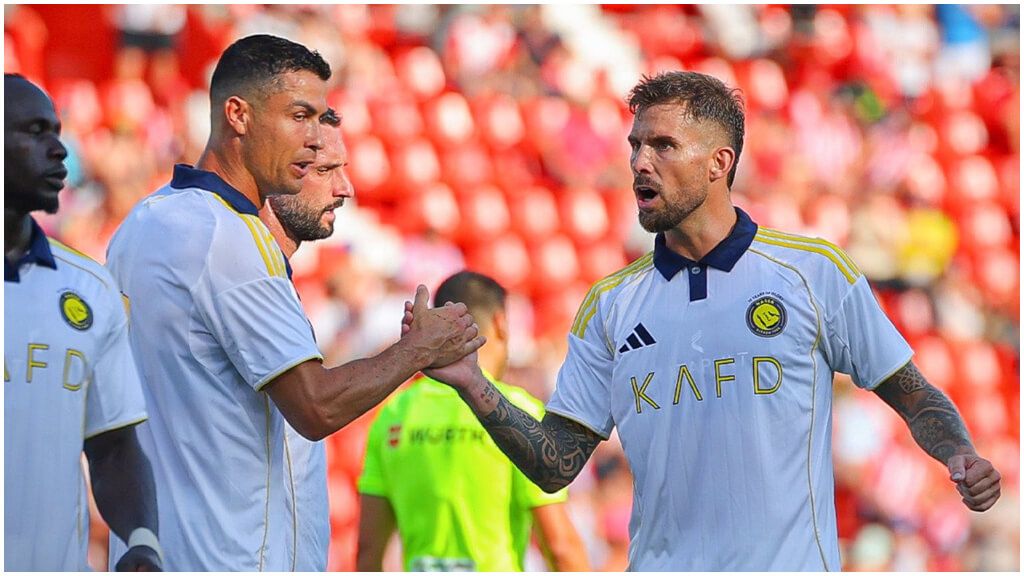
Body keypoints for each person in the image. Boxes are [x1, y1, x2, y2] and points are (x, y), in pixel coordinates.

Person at [410, 71, 1002, 571]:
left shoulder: (812, 272)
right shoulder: (610, 304)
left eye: (662, 145)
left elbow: (912, 392)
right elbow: (554, 463)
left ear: (720, 162)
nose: (640, 162)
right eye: (635, 145)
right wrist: (472, 382)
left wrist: (958, 454)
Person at [105, 35, 482, 570]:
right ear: (237, 114)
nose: (312, 142)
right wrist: (419, 349)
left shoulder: (141, 223)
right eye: (300, 116)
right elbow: (314, 406)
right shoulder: (228, 238)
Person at [4, 73, 163, 571]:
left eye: (57, 131)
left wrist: (142, 541)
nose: (59, 150)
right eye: (34, 131)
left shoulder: (91, 289)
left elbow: (113, 447)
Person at [356, 271, 591, 572]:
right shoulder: (519, 412)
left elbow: (368, 551)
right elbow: (560, 547)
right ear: (500, 324)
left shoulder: (394, 413)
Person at [257, 108, 351, 571]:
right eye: (328, 170)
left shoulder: (274, 272)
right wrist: (416, 351)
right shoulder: (246, 271)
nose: (345, 189)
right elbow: (316, 408)